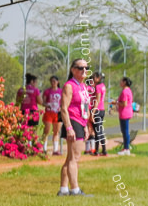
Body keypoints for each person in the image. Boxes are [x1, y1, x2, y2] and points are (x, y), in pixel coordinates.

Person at [58, 60, 93, 196]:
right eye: (80, 68)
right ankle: (75, 189)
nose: (84, 71)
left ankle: (63, 189)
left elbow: (85, 107)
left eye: (86, 68)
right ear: (73, 70)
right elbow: (64, 109)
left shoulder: (83, 86)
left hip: (80, 122)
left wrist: (86, 125)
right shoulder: (69, 86)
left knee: (70, 158)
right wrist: (69, 128)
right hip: (73, 122)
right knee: (75, 158)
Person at [41, 76, 64, 157]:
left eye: (54, 81)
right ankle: (44, 148)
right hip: (49, 112)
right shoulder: (47, 91)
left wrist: (62, 108)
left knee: (56, 132)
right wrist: (47, 105)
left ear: (58, 82)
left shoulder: (61, 91)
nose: (53, 83)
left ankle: (55, 149)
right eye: (51, 81)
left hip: (58, 113)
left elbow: (64, 102)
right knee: (46, 131)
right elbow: (43, 102)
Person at [88, 72, 107, 156]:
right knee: (100, 131)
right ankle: (104, 150)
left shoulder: (98, 87)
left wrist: (93, 112)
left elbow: (97, 100)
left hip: (98, 110)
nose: (92, 79)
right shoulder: (103, 86)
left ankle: (97, 150)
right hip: (102, 109)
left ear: (98, 78)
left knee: (97, 131)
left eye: (94, 78)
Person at [115, 77, 134, 155]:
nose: (120, 82)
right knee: (125, 131)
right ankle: (126, 147)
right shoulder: (128, 90)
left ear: (125, 82)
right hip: (128, 112)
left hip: (124, 113)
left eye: (121, 81)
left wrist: (116, 102)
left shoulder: (125, 91)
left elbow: (124, 103)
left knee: (125, 131)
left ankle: (126, 148)